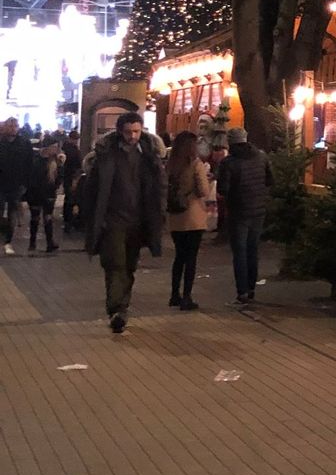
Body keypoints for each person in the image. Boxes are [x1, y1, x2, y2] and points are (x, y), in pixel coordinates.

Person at [81, 112, 166, 333]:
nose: (133, 136)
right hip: (113, 221)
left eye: (136, 131)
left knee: (129, 265)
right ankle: (116, 309)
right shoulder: (107, 155)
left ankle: (122, 306)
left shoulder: (149, 156)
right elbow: (92, 189)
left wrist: (159, 214)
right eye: (128, 132)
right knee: (114, 264)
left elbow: (159, 188)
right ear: (120, 131)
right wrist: (93, 218)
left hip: (138, 221)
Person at [217, 127, 271, 304]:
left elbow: (223, 189)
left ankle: (242, 291)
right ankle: (251, 287)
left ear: (230, 142)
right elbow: (270, 180)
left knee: (239, 251)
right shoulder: (261, 157)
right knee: (252, 249)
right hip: (258, 210)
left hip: (238, 211)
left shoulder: (228, 163)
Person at [165, 130, 211, 309]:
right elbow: (203, 191)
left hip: (175, 217)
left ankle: (174, 294)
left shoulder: (170, 165)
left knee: (179, 256)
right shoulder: (195, 164)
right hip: (193, 216)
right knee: (191, 258)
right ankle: (187, 297)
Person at [26, 136, 63, 252]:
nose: (56, 149)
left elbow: (59, 177)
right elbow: (31, 176)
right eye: (54, 147)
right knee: (36, 218)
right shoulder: (36, 160)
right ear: (47, 147)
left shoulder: (55, 161)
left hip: (48, 194)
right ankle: (33, 242)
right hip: (36, 193)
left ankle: (48, 242)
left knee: (47, 218)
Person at [0, 116, 30, 256]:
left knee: (12, 213)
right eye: (10, 126)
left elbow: (29, 164)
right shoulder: (1, 143)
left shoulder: (24, 143)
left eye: (15, 126)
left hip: (16, 184)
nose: (13, 129)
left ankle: (8, 241)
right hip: (1, 183)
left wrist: (25, 184)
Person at [61, 129, 83, 230]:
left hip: (67, 176)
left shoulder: (64, 148)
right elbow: (78, 165)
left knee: (68, 198)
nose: (76, 141)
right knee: (71, 199)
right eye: (75, 139)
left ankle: (67, 220)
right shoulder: (73, 150)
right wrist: (75, 179)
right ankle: (68, 222)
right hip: (72, 177)